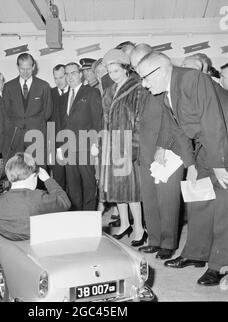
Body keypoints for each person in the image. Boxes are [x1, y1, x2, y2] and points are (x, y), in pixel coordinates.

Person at [137, 51, 228, 286]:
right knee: (198, 201)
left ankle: (219, 265)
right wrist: (191, 165)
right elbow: (177, 129)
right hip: (205, 150)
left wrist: (219, 164)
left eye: (146, 78)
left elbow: (213, 120)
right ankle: (195, 254)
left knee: (223, 209)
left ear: (160, 70)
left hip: (222, 148)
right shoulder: (166, 93)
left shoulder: (192, 79)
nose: (144, 85)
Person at [129, 46, 193, 259]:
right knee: (150, 198)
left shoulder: (167, 83)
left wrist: (163, 146)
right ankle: (155, 239)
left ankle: (168, 242)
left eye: (138, 63)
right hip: (144, 149)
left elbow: (173, 118)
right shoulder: (142, 83)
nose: (135, 68)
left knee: (167, 199)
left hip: (166, 149)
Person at [98, 48, 145, 242]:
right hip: (112, 144)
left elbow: (140, 121)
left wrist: (133, 148)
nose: (112, 75)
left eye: (116, 71)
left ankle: (140, 229)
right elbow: (105, 120)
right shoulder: (110, 90)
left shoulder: (137, 88)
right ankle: (125, 223)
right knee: (118, 189)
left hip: (126, 144)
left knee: (131, 191)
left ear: (126, 68)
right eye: (109, 72)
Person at [0, 152, 71, 241]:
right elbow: (65, 201)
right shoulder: (39, 198)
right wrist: (48, 180)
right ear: (34, 176)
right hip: (37, 247)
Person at [59, 62, 102, 210]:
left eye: (73, 73)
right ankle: (77, 216)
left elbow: (97, 120)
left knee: (89, 183)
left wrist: (96, 145)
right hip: (69, 147)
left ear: (80, 74)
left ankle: (89, 214)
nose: (69, 77)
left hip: (86, 147)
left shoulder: (91, 93)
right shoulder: (64, 97)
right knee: (73, 185)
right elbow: (63, 124)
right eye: (67, 74)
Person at [3, 53, 53, 166]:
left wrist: (33, 124)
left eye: (28, 68)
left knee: (38, 170)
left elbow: (48, 111)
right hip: (16, 137)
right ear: (17, 67)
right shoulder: (8, 87)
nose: (25, 72)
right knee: (16, 171)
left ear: (34, 67)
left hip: (37, 135)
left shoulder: (43, 86)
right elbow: (6, 112)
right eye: (22, 69)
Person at [49, 64, 69, 190]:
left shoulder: (74, 93)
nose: (58, 81)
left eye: (61, 77)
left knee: (74, 181)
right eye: (55, 78)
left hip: (73, 144)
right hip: (55, 145)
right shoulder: (50, 94)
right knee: (58, 180)